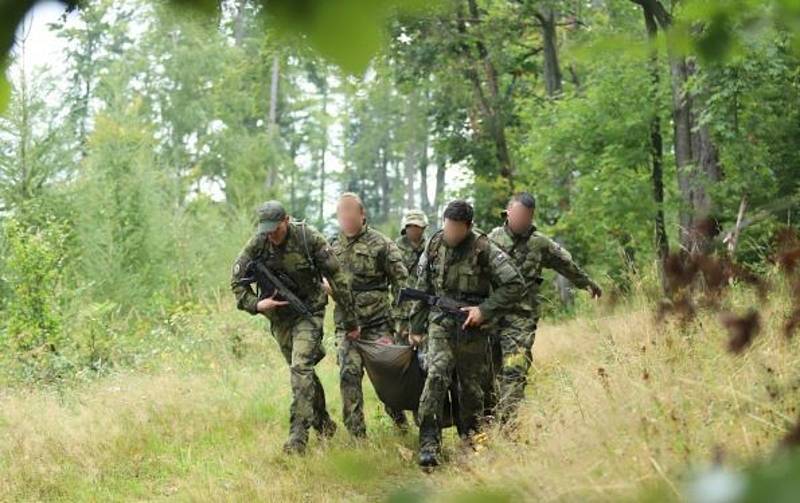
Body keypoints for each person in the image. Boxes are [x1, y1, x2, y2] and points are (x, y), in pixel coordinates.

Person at [230, 201, 360, 455]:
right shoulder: (257, 243)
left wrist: (351, 320)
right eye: (266, 230)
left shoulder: (308, 238)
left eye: (275, 229)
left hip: (309, 312)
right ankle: (324, 423)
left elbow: (338, 279)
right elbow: (236, 282)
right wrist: (257, 304)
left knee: (300, 367)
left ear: (286, 220)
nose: (271, 235)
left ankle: (298, 437)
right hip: (279, 318)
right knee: (303, 373)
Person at [409, 200, 525, 467]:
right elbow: (421, 286)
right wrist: (415, 327)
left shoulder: (484, 248)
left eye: (455, 228)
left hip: (472, 329)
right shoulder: (435, 244)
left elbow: (514, 284)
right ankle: (429, 443)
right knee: (436, 376)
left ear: (468, 226)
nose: (450, 232)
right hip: (440, 323)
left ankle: (471, 441)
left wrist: (484, 310)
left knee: (471, 389)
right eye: (447, 226)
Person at [487, 192, 602, 423]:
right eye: (518, 215)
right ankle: (486, 424)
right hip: (490, 316)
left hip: (521, 318)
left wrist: (587, 283)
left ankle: (507, 427)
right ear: (508, 212)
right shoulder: (490, 240)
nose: (522, 221)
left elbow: (566, 264)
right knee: (489, 372)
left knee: (515, 370)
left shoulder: (539, 243)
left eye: (527, 217)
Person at [329, 192, 410, 436]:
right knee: (348, 375)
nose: (345, 216)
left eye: (350, 211)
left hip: (377, 325)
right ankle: (357, 436)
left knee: (386, 378)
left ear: (362, 214)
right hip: (347, 327)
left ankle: (400, 422)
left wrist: (401, 321)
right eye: (341, 212)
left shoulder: (382, 244)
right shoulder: (332, 246)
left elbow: (402, 284)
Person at [394, 208, 429, 343]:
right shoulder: (395, 248)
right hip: (401, 309)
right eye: (410, 226)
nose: (413, 229)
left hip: (424, 308)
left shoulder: (431, 247)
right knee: (401, 351)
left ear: (423, 227)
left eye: (417, 226)